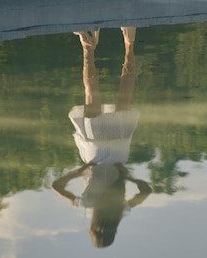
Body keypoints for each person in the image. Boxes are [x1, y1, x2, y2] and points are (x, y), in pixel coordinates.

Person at [52, 27, 151, 248]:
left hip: (118, 151)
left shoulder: (121, 208)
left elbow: (147, 190)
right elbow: (56, 185)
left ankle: (129, 41)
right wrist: (79, 172)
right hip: (94, 152)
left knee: (125, 94)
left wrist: (127, 176)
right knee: (91, 92)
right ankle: (88, 44)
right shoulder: (87, 204)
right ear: (93, 227)